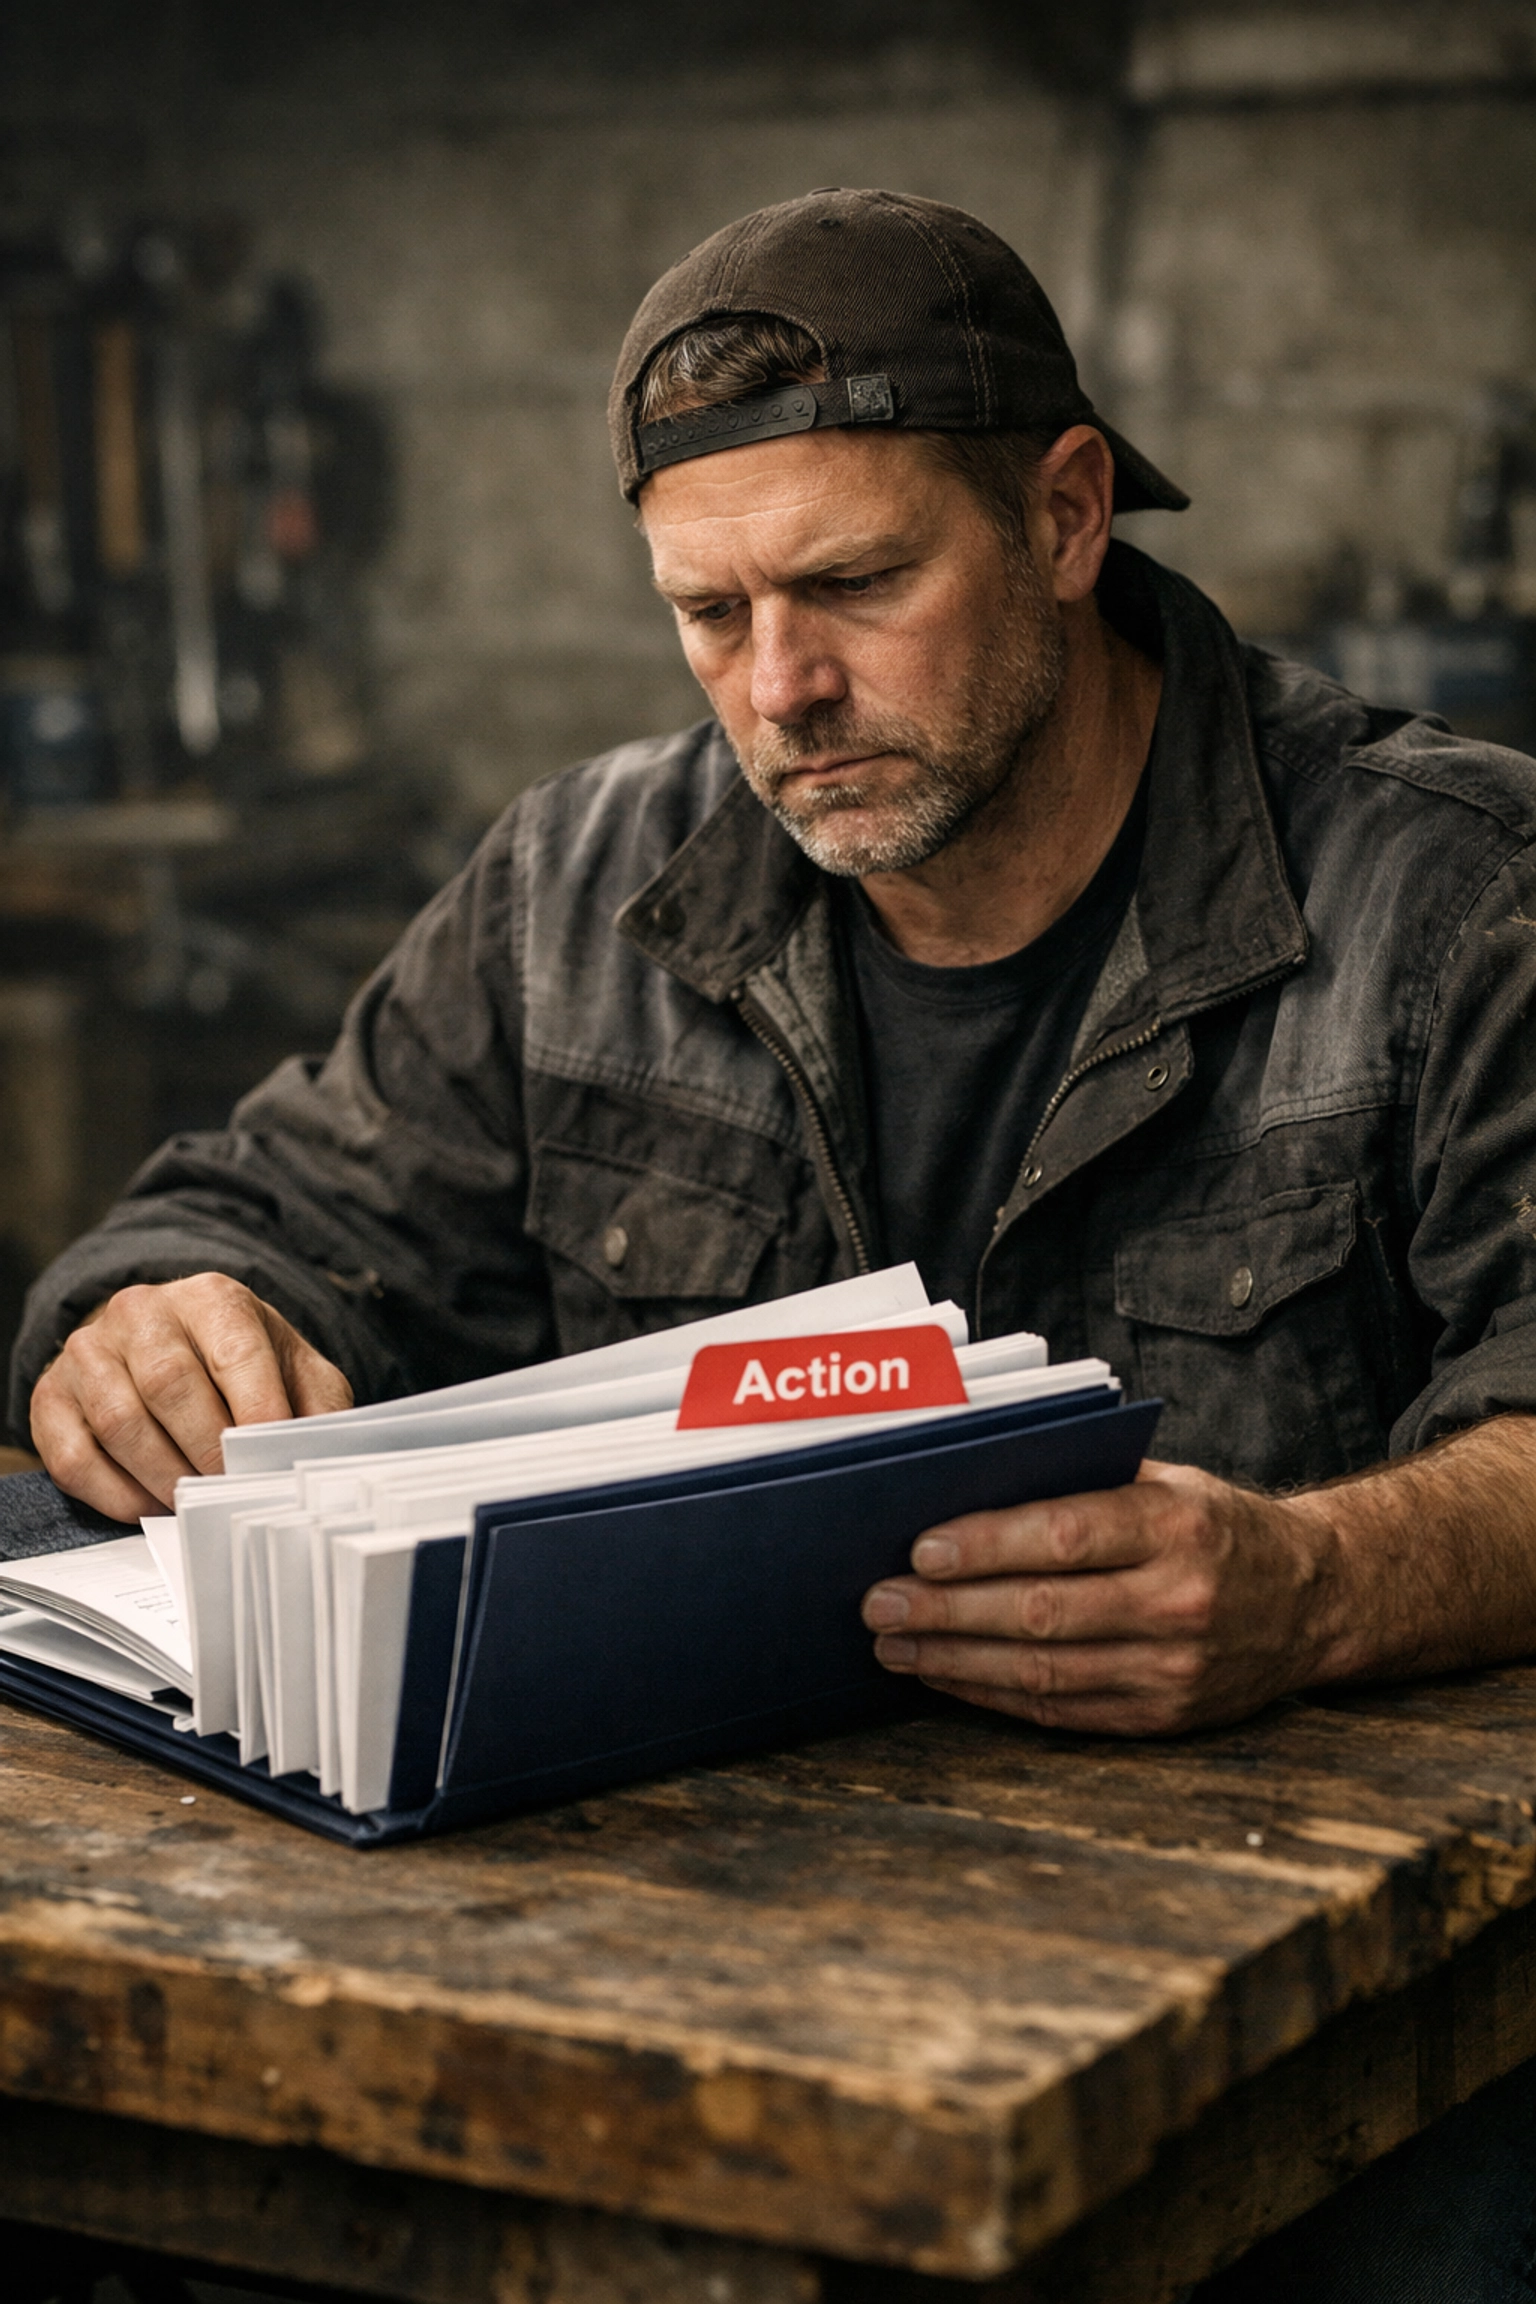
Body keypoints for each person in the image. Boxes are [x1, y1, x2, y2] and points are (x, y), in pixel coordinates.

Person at [10, 190, 1536, 2294]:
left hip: (1299, 2005)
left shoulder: (1453, 898)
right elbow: (255, 1216)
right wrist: (144, 1313)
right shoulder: (580, 887)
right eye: (707, 614)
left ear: (1069, 514)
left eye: (856, 581)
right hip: (703, 1964)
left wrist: (1318, 1582)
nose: (782, 689)